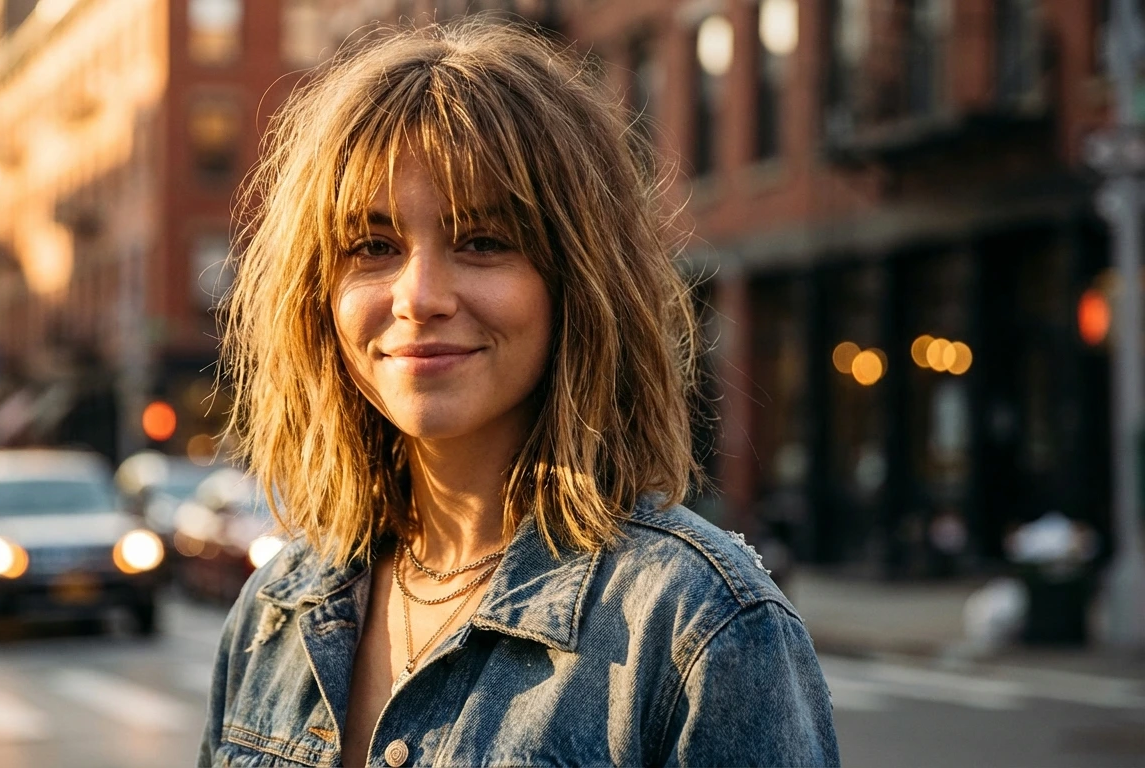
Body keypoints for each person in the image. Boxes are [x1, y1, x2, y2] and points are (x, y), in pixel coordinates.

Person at [199, 19, 838, 768]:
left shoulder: (699, 628)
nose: (421, 296)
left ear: (577, 280)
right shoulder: (276, 610)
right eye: (374, 246)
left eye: (482, 241)